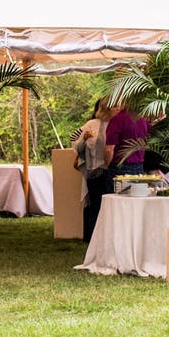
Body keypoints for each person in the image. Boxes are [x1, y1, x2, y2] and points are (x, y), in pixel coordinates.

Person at [72, 98, 114, 243]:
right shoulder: (91, 124)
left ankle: (106, 237)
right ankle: (93, 237)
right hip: (94, 170)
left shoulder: (117, 124)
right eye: (114, 107)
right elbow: (75, 143)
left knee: (109, 204)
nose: (117, 109)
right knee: (95, 204)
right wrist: (84, 139)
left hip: (112, 170)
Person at [104, 101, 150, 177]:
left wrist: (106, 166)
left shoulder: (118, 119)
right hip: (139, 166)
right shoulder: (143, 120)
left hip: (120, 167)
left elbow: (109, 149)